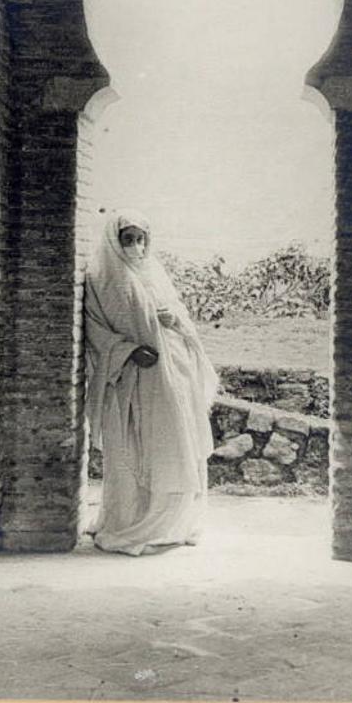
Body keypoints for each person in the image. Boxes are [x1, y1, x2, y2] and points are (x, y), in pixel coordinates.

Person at [84, 209, 219, 555]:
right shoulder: (102, 279)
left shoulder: (154, 273)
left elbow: (180, 317)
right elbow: (96, 331)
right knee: (135, 451)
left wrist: (174, 319)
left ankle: (173, 521)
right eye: (127, 239)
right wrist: (128, 351)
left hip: (173, 375)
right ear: (115, 241)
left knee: (174, 444)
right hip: (133, 378)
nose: (134, 246)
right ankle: (131, 522)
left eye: (140, 238)